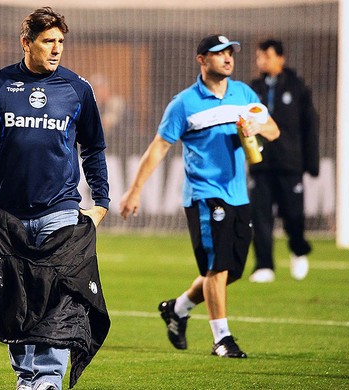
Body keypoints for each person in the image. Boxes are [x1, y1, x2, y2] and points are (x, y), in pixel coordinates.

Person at [0, 7, 110, 390]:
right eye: (48, 41)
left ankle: (48, 379)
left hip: (61, 210)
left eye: (61, 43)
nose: (56, 50)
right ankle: (26, 376)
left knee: (57, 296)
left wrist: (101, 201)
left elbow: (94, 148)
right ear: (26, 43)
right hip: (7, 215)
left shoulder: (77, 89)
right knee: (15, 298)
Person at [119, 34, 280, 358]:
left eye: (231, 52)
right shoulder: (184, 103)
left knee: (228, 271)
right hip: (205, 196)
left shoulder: (243, 93)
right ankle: (222, 338)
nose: (228, 58)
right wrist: (135, 190)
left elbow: (273, 130)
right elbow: (159, 147)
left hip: (238, 195)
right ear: (202, 60)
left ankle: (177, 308)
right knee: (217, 269)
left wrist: (256, 128)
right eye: (220, 53)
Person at [247, 39, 319, 283]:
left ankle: (298, 250)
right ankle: (264, 265)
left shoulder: (298, 87)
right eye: (259, 57)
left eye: (266, 56)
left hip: (290, 163)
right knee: (260, 215)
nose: (261, 61)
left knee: (293, 214)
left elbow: (310, 126)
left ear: (281, 58)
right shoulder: (252, 89)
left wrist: (311, 162)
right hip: (261, 164)